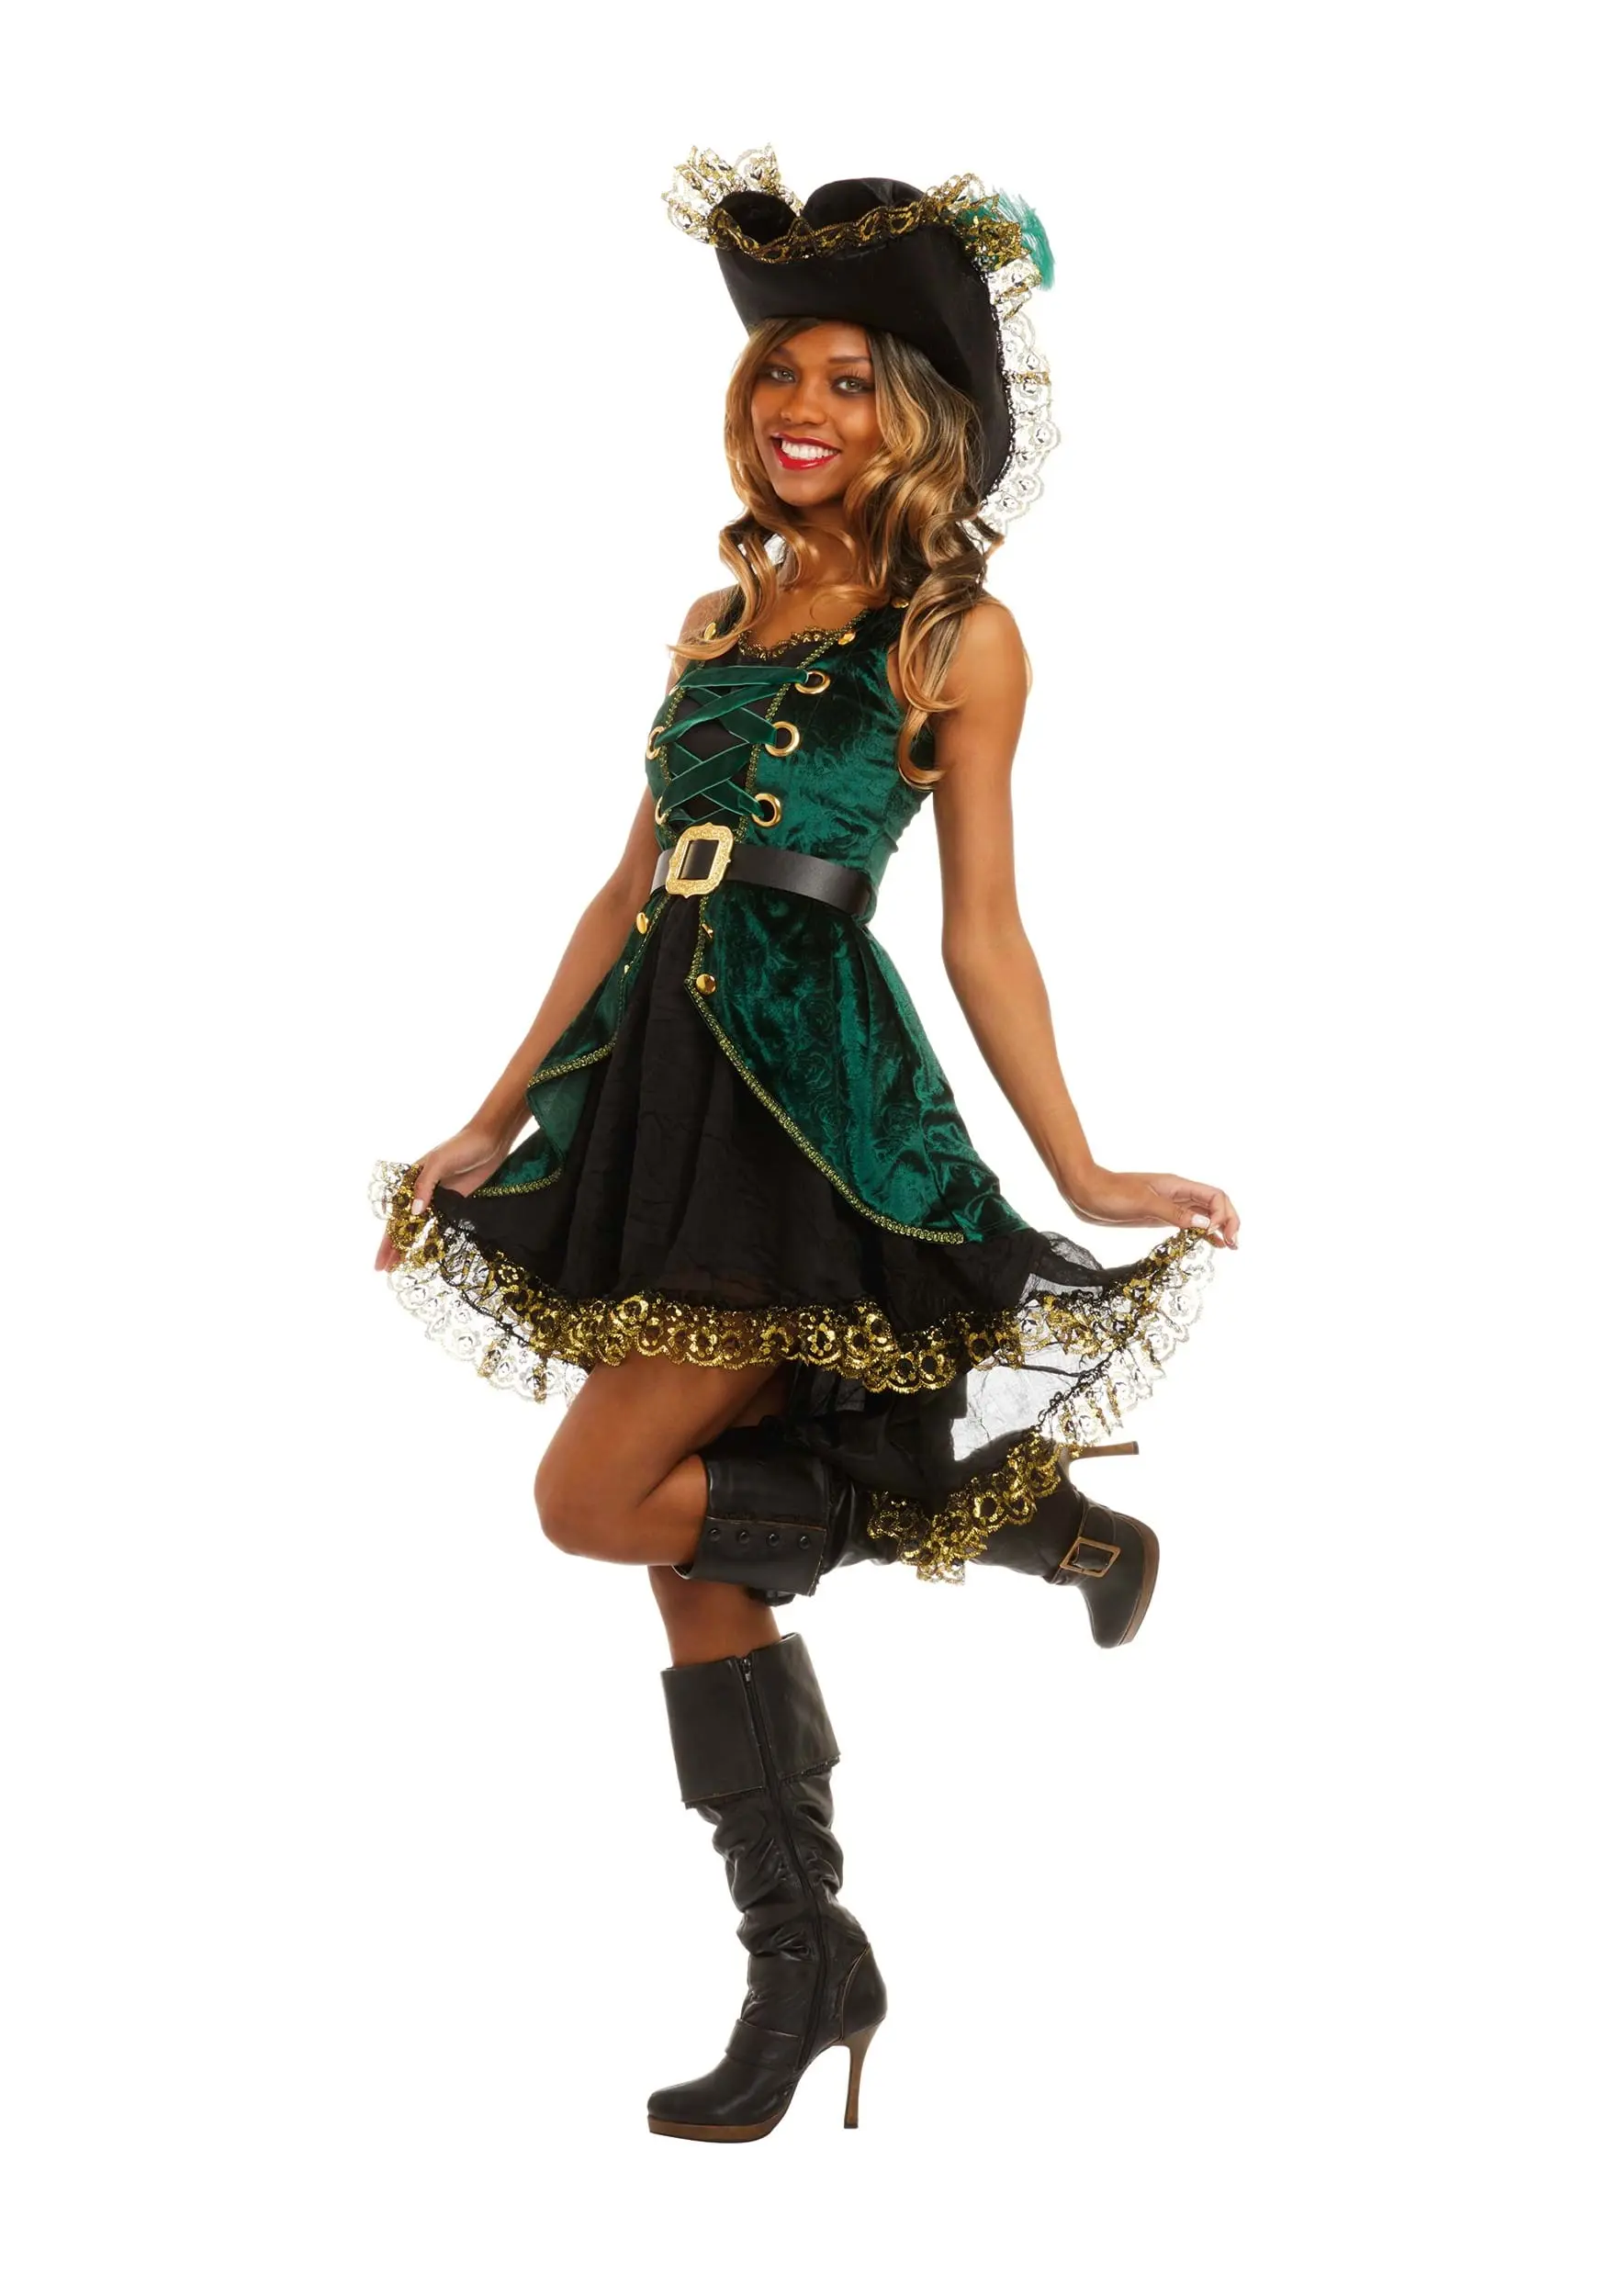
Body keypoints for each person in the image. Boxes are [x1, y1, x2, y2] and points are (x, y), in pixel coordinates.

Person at [369, 149, 1239, 2144]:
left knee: (593, 1497)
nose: (802, 405)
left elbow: (981, 927)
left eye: (849, 377)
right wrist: (495, 1110)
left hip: (810, 1103)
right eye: (781, 371)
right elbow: (624, 891)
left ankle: (1015, 1520)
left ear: (913, 411)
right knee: (682, 1552)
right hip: (658, 1086)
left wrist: (1084, 1169)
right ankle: (802, 1954)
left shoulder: (957, 636)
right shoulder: (718, 614)